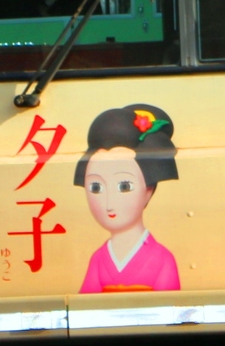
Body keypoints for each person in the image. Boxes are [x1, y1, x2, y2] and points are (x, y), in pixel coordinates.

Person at [75, 104, 181, 293]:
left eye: (124, 186)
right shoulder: (99, 259)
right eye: (96, 187)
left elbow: (169, 310)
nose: (109, 204)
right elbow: (84, 309)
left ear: (148, 190)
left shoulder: (162, 258)